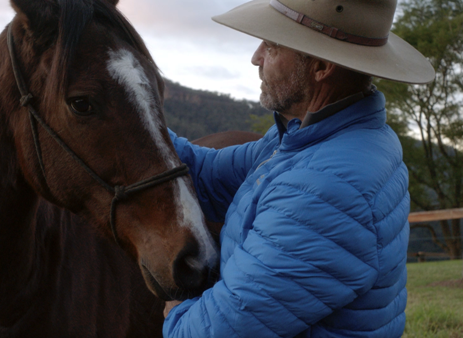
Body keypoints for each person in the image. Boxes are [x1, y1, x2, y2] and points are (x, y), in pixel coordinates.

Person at [162, 0, 435, 337]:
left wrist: (176, 311)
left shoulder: (327, 187)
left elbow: (220, 329)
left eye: (272, 45)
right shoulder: (308, 140)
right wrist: (127, 113)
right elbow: (208, 175)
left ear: (320, 67)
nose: (256, 57)